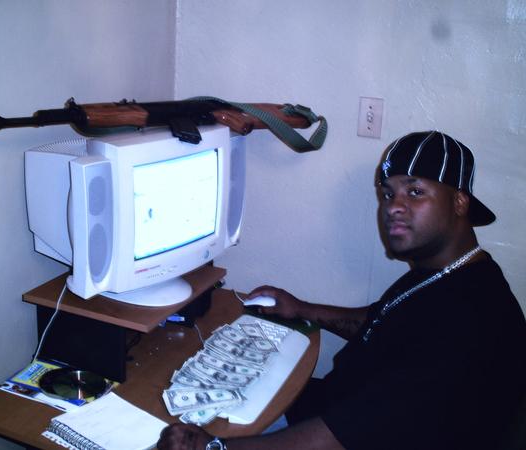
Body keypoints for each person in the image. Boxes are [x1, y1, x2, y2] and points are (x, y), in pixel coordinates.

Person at [157, 131, 526, 450]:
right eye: (388, 194)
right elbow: (383, 323)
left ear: (459, 202)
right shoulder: (446, 274)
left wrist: (214, 447)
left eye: (415, 192)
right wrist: (302, 309)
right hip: (338, 412)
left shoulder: (469, 320)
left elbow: (340, 438)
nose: (393, 207)